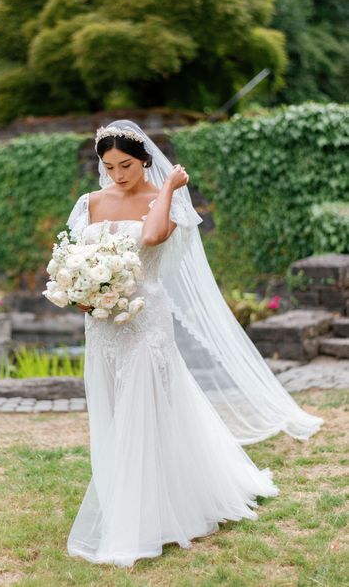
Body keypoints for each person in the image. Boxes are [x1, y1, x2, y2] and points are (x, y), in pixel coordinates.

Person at [62, 120, 323, 567]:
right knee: (110, 402)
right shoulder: (88, 203)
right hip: (101, 323)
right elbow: (70, 259)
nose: (118, 174)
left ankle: (148, 515)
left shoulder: (167, 201)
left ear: (144, 159)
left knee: (146, 405)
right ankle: (123, 492)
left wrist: (167, 189)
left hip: (146, 320)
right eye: (109, 166)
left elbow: (150, 237)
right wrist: (80, 293)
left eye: (126, 164)